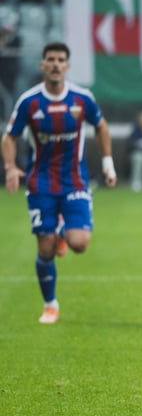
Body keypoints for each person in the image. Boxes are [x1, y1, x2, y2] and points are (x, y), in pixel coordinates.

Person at [1, 41, 117, 324]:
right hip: (40, 182)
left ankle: (65, 232)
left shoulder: (81, 99)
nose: (55, 64)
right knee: (45, 247)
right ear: (42, 65)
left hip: (75, 180)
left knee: (79, 243)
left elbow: (101, 126)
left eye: (60, 59)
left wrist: (107, 163)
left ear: (67, 66)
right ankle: (50, 304)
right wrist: (10, 167)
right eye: (50, 59)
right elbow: (9, 136)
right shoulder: (30, 102)